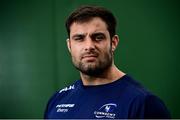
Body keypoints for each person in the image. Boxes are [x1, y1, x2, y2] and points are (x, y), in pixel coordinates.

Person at [44, 5, 171, 119]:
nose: (89, 46)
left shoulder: (144, 103)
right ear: (69, 46)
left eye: (98, 37)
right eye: (79, 38)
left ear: (113, 43)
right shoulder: (57, 101)